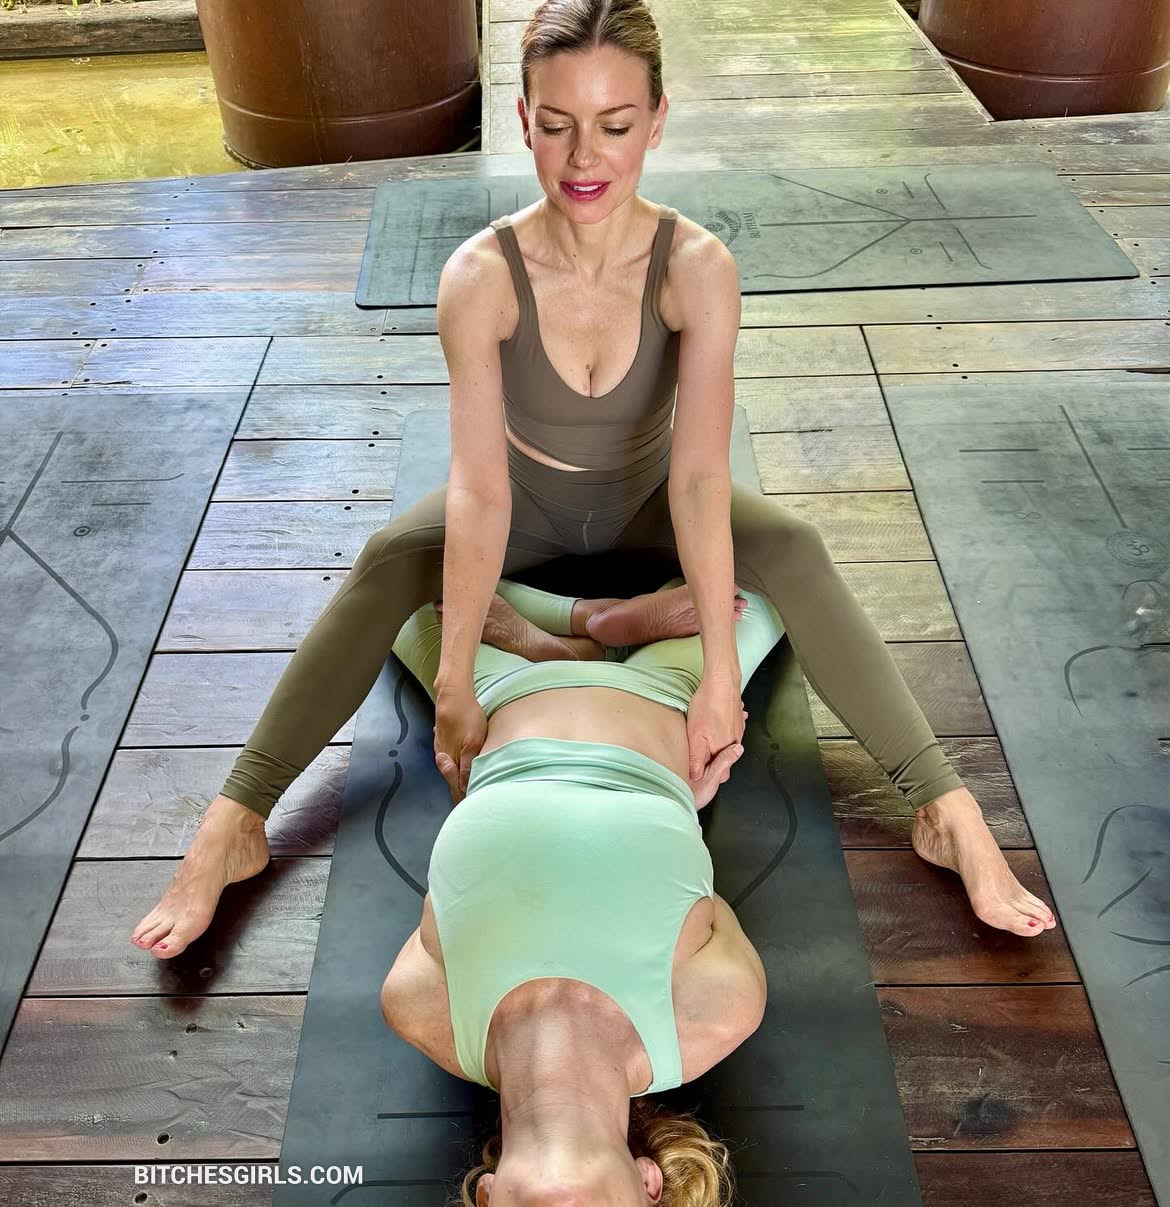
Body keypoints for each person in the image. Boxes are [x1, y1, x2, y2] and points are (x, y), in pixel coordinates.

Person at [130, 0, 1055, 960]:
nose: (584, 158)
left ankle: (945, 810)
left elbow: (699, 478)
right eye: (558, 124)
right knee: (391, 555)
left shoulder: (697, 267)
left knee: (794, 545)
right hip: (524, 509)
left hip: (650, 502)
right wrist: (455, 679)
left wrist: (722, 681)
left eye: (615, 126)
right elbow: (479, 490)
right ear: (524, 120)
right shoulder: (480, 276)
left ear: (656, 121)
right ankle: (235, 821)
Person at [384, 576, 777, 1206]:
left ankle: (577, 631)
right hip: (671, 695)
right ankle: (603, 629)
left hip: (496, 691)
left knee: (404, 582)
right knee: (757, 582)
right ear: (649, 1185)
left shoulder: (422, 1010)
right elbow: (701, 887)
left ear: (486, 1196)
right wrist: (681, 802)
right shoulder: (713, 1014)